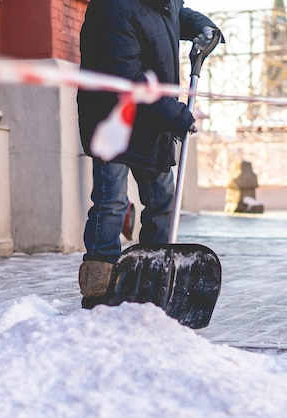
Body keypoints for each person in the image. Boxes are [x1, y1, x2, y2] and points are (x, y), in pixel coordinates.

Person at [76, 0, 223, 308]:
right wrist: (177, 115)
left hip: (151, 124)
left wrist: (203, 26)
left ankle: (151, 277)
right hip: (114, 120)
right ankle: (99, 287)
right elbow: (128, 76)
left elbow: (175, 14)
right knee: (111, 203)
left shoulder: (161, 2)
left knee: (162, 203)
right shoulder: (111, 8)